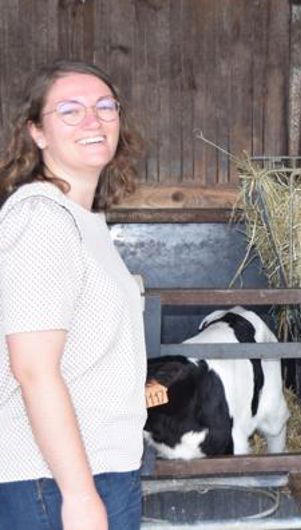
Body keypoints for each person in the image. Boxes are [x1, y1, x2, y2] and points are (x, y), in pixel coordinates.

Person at [0, 60, 147, 529]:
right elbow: (34, 370)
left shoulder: (82, 220)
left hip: (93, 466)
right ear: (36, 133)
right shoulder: (42, 220)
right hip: (54, 479)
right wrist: (80, 494)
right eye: (70, 110)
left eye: (105, 106)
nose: (93, 119)